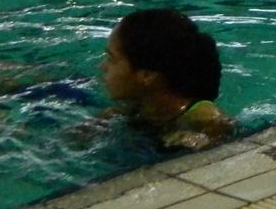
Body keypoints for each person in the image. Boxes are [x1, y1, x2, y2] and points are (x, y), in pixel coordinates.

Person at [100, 8, 234, 151]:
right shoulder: (133, 108)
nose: (102, 66)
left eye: (111, 59)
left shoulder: (203, 116)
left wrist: (203, 141)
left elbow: (226, 144)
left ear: (147, 75)